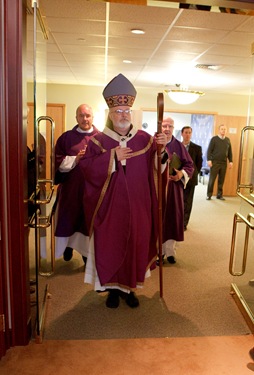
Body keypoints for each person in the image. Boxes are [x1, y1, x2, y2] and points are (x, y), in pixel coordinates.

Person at [80, 73, 167, 309]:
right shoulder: (98, 142)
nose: (123, 115)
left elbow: (159, 168)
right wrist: (111, 157)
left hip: (139, 207)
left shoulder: (145, 141)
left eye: (126, 110)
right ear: (109, 113)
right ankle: (111, 291)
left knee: (134, 246)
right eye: (118, 111)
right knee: (111, 245)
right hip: (109, 209)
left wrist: (163, 149)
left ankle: (130, 290)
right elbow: (86, 170)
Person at [54, 104, 99, 263]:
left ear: (93, 117)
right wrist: (76, 159)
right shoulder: (66, 138)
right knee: (70, 220)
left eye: (88, 115)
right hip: (71, 189)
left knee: (87, 222)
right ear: (76, 118)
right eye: (81, 115)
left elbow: (107, 163)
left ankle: (87, 255)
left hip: (92, 191)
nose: (85, 119)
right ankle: (68, 247)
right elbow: (57, 161)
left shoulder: (101, 138)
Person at [161, 118, 194, 264]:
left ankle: (170, 252)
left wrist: (180, 174)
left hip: (174, 189)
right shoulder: (153, 143)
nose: (167, 129)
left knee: (172, 219)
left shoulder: (178, 146)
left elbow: (189, 165)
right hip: (158, 189)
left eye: (170, 126)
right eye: (164, 126)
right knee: (158, 219)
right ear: (160, 127)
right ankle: (158, 252)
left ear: (173, 128)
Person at [181, 126, 203, 230]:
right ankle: (177, 220)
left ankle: (184, 223)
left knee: (187, 201)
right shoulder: (178, 146)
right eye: (186, 132)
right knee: (178, 201)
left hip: (191, 178)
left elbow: (199, 164)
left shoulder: (197, 148)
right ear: (182, 134)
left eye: (189, 132)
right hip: (179, 177)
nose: (188, 134)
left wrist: (192, 174)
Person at [206, 124, 233, 200]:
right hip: (215, 162)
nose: (223, 130)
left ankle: (219, 195)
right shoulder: (214, 139)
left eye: (225, 129)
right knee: (212, 179)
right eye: (222, 129)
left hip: (223, 163)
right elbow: (209, 150)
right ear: (219, 130)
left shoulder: (228, 140)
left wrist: (231, 161)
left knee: (221, 180)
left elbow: (230, 152)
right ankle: (209, 194)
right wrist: (209, 160)